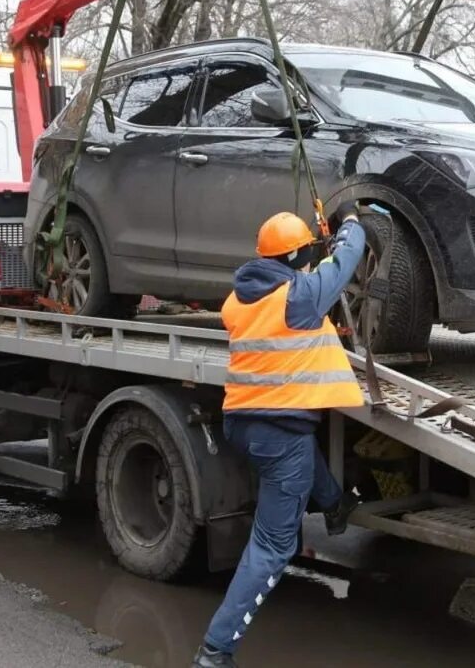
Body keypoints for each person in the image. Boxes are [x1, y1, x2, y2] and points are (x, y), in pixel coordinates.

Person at [193, 207, 368, 668]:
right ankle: (216, 650)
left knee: (301, 451)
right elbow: (346, 260)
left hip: (243, 424)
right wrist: (350, 224)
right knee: (273, 546)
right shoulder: (301, 296)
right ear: (298, 255)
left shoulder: (238, 301)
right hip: (279, 430)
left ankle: (333, 506)